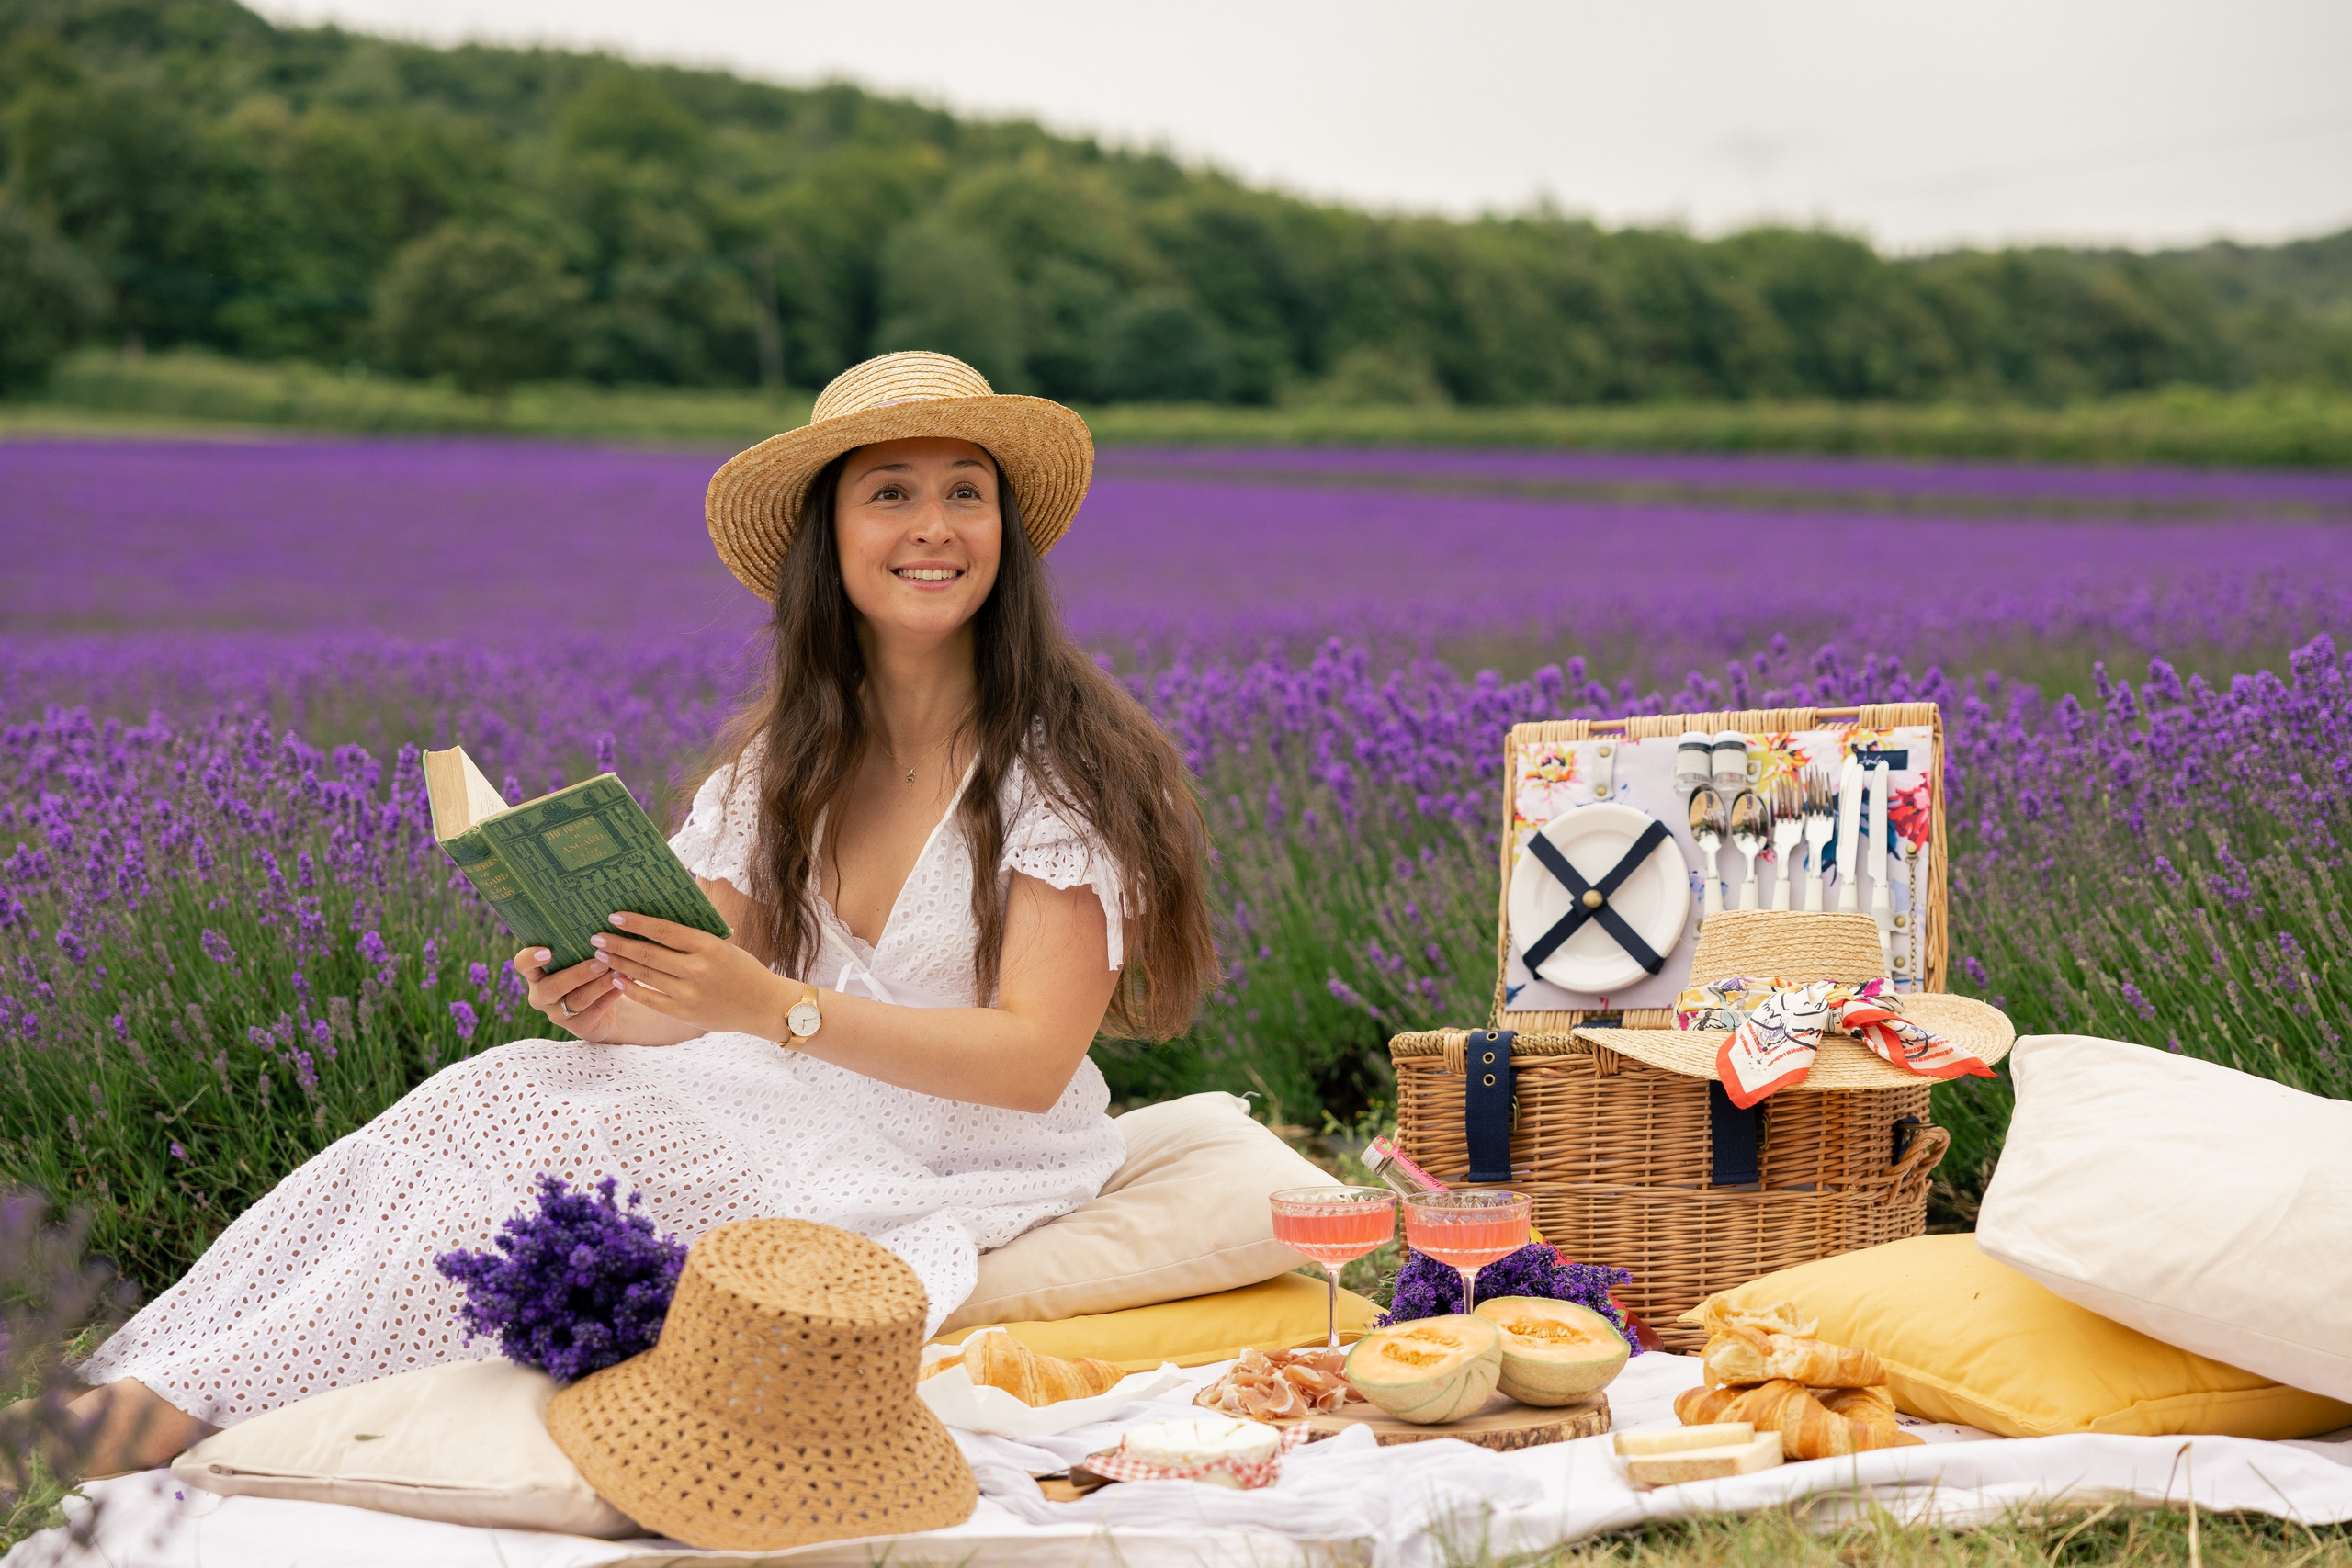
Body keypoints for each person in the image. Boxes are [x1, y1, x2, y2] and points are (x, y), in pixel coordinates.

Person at [64, 351, 1216, 1475]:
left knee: (566, 1136)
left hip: (970, 1147)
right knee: (488, 1090)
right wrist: (605, 1001)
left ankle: (166, 1421)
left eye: (967, 492)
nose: (935, 527)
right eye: (891, 494)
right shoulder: (790, 759)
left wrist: (775, 1009)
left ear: (1006, 535)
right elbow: (688, 989)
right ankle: (151, 1380)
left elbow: (1027, 1059)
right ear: (832, 541)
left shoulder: (1064, 768)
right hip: (794, 1098)